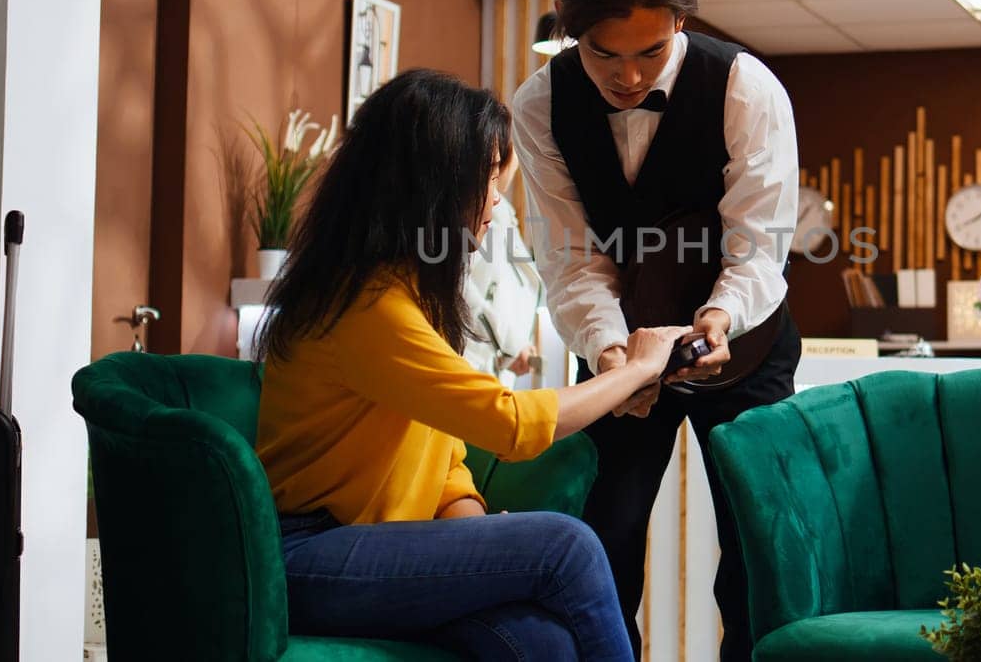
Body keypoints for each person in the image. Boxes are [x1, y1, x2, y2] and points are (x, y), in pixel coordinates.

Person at [254, 69, 692, 661]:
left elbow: (443, 455)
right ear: (432, 181)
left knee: (544, 645)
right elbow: (508, 424)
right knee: (568, 547)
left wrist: (470, 524)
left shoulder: (408, 294)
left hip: (382, 546)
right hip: (308, 556)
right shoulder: (368, 306)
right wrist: (634, 371)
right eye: (487, 179)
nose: (496, 201)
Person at [512, 0, 802, 660]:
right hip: (619, 339)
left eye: (648, 53)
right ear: (572, 31)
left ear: (680, 22)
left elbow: (758, 241)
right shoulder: (540, 104)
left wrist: (718, 318)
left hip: (746, 344)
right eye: (605, 54)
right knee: (601, 538)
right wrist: (613, 355)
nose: (629, 77)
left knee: (752, 547)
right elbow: (571, 257)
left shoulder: (746, 86)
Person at [461, 150, 545, 388]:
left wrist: (517, 346)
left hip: (495, 372)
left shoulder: (503, 212)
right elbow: (462, 291)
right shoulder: (476, 215)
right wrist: (512, 345)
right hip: (472, 367)